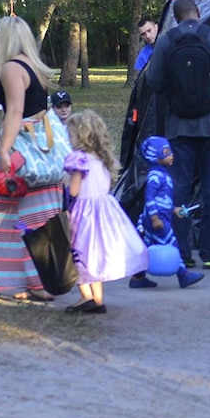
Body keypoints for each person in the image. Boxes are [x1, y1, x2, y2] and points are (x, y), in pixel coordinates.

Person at [0, 14, 70, 302]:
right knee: (38, 218)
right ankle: (40, 280)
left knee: (0, 214)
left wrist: (4, 150)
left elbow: (15, 112)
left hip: (23, 151)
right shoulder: (33, 66)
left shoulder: (13, 68)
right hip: (43, 153)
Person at [145, 0, 210, 270]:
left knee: (179, 187)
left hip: (179, 126)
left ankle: (182, 251)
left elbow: (153, 81)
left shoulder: (166, 41)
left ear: (176, 17)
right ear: (198, 13)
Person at [60, 109, 149, 314]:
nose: (69, 139)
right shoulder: (103, 159)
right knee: (94, 257)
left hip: (82, 212)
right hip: (104, 212)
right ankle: (98, 300)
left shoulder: (78, 160)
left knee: (77, 256)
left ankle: (86, 297)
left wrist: (65, 190)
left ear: (82, 136)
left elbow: (74, 191)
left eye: (71, 135)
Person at [131, 135, 203, 290]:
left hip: (158, 216)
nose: (171, 155)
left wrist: (174, 209)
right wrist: (155, 218)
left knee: (148, 244)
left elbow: (161, 199)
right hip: (156, 218)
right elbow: (149, 197)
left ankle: (138, 277)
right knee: (172, 243)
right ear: (154, 156)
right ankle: (183, 275)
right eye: (165, 152)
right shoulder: (156, 175)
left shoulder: (162, 174)